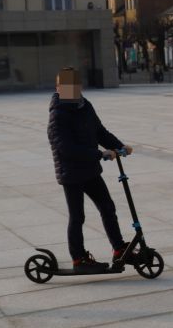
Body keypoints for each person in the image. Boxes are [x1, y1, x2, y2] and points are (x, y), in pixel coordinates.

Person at [48, 67, 132, 269]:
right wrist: (99, 154)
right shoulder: (58, 114)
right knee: (78, 216)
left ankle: (119, 249)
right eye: (66, 86)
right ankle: (79, 259)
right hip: (71, 172)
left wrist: (119, 146)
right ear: (58, 87)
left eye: (74, 85)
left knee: (107, 208)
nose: (71, 89)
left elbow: (100, 132)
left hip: (90, 170)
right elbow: (66, 148)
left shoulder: (85, 106)